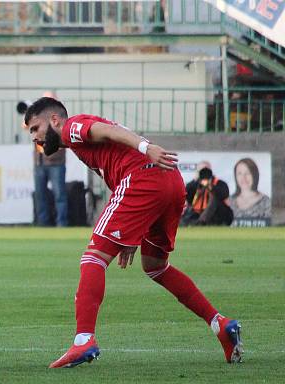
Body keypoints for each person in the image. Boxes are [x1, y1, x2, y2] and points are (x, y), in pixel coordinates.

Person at [23, 97, 243, 368]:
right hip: (169, 182)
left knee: (93, 259)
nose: (35, 137)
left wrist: (146, 146)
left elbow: (108, 132)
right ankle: (220, 325)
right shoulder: (76, 140)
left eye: (35, 128)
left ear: (54, 120)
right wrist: (132, 234)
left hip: (144, 177)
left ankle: (83, 340)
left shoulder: (71, 127)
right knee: (156, 266)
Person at [29, 92, 67, 227]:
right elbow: (26, 125)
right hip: (39, 163)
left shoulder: (58, 116)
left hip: (56, 162)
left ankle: (62, 223)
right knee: (40, 196)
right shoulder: (39, 117)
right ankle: (43, 223)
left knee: (60, 195)